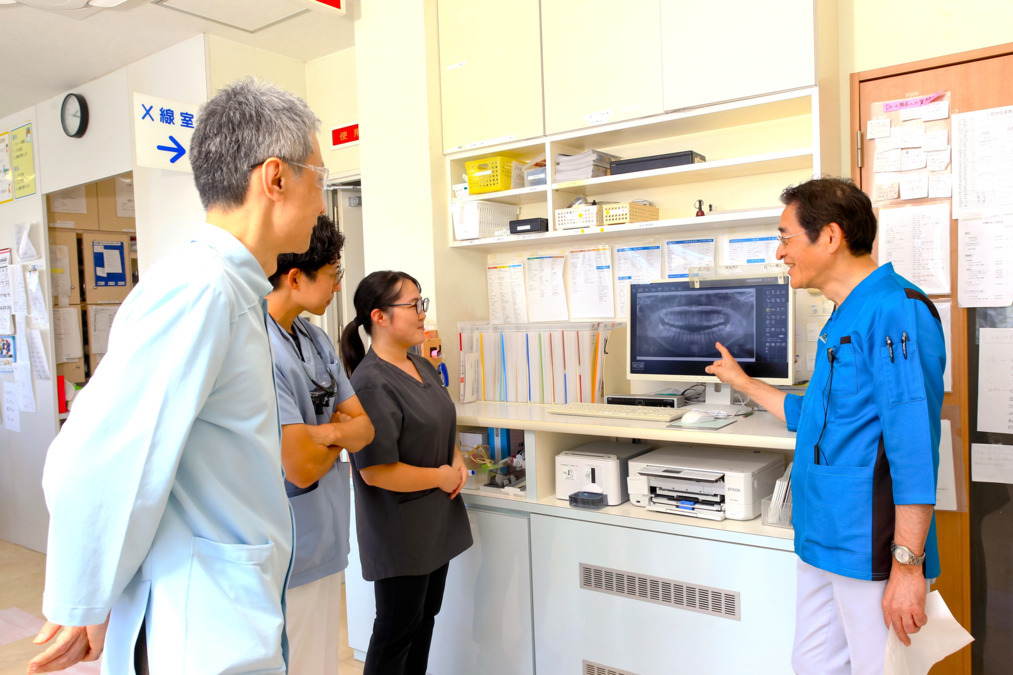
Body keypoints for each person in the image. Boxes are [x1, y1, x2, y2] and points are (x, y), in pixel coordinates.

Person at [29, 79, 328, 674]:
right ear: (275, 178)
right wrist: (83, 595)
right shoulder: (202, 290)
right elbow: (99, 453)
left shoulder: (232, 290)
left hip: (219, 609)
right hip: (196, 629)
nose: (322, 201)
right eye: (318, 178)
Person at [705, 177, 945, 674]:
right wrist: (742, 382)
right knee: (812, 665)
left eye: (786, 237)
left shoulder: (897, 310)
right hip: (821, 535)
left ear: (830, 236)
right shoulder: (842, 315)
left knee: (882, 668)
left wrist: (907, 566)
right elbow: (813, 417)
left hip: (869, 542)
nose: (779, 252)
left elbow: (914, 451)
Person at [339, 271, 472, 675]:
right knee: (396, 632)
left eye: (421, 303)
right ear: (379, 317)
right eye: (412, 305)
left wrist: (456, 456)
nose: (421, 313)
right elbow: (376, 471)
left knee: (423, 622)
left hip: (433, 522)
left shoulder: (419, 364)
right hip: (401, 530)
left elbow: (437, 418)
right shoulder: (372, 383)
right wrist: (441, 477)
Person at [266, 215, 374, 673]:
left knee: (323, 662)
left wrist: (323, 432)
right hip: (287, 546)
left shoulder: (314, 337)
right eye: (333, 274)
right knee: (299, 662)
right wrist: (338, 431)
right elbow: (300, 467)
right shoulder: (258, 347)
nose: (336, 287)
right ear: (295, 278)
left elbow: (363, 428)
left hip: (328, 536)